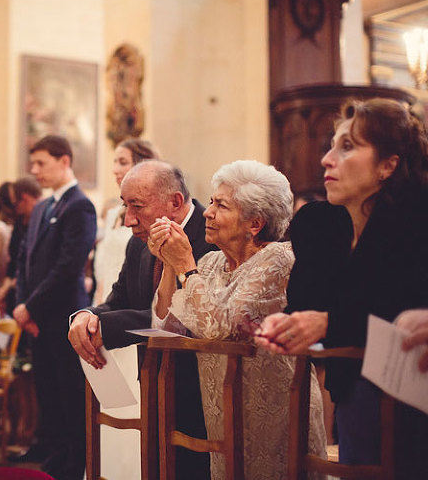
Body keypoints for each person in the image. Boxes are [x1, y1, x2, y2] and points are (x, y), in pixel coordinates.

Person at [255, 98, 428, 476]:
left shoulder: (417, 221)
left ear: (388, 165)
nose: (327, 160)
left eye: (347, 146)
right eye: (330, 146)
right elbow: (308, 307)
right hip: (356, 396)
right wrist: (283, 327)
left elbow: (393, 305)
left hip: (414, 408)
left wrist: (327, 323)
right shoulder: (325, 227)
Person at [148, 159, 325, 479]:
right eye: (212, 202)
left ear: (254, 223)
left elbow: (220, 327)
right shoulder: (212, 262)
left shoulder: (278, 259)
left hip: (276, 411)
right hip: (224, 414)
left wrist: (186, 265)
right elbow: (167, 326)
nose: (207, 212)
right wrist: (169, 264)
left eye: (221, 205)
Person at [68, 159, 213, 479]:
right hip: (154, 382)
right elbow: (119, 300)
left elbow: (183, 317)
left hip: (204, 387)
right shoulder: (139, 244)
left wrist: (110, 326)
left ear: (175, 202)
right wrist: (85, 316)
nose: (129, 219)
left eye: (137, 206)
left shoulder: (212, 235)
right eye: (124, 205)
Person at [13, 135, 97, 480]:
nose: (35, 171)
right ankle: (52, 449)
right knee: (46, 387)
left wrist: (30, 307)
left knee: (68, 391)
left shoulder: (80, 206)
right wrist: (22, 305)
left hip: (63, 313)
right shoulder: (42, 208)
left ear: (64, 161)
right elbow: (23, 260)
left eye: (41, 163)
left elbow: (68, 266)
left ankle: (72, 458)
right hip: (36, 316)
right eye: (33, 164)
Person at [92, 138, 158, 305]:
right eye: (115, 162)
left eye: (123, 162)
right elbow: (105, 264)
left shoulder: (150, 213)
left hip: (133, 299)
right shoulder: (113, 214)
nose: (115, 170)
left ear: (141, 164)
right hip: (108, 295)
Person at [0, 176, 42, 316]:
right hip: (20, 294)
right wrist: (7, 285)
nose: (15, 210)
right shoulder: (20, 224)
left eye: (16, 204)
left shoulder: (43, 217)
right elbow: (16, 260)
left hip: (36, 294)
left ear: (25, 199)